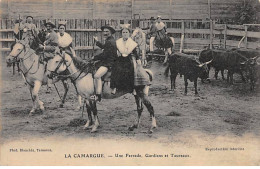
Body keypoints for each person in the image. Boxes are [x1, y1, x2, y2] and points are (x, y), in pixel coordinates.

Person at [110, 24, 150, 94]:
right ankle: (114, 87)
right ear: (121, 34)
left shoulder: (132, 43)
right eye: (123, 32)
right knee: (115, 67)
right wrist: (116, 53)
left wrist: (138, 60)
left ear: (129, 33)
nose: (125, 34)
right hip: (120, 58)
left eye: (126, 32)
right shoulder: (118, 42)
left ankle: (133, 88)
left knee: (132, 69)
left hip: (129, 58)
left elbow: (135, 53)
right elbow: (115, 51)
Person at [92, 25, 117, 102]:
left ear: (111, 32)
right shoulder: (109, 40)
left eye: (107, 31)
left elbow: (104, 55)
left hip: (109, 64)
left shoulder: (110, 42)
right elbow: (104, 47)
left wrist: (94, 58)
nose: (105, 33)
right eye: (104, 31)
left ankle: (98, 95)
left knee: (96, 76)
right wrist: (97, 42)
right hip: (107, 61)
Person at [39, 20, 59, 93]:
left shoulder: (54, 35)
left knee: (49, 71)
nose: (48, 28)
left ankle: (49, 87)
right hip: (44, 54)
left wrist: (44, 47)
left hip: (51, 55)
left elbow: (54, 47)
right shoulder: (47, 34)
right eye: (47, 26)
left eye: (49, 27)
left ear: (52, 28)